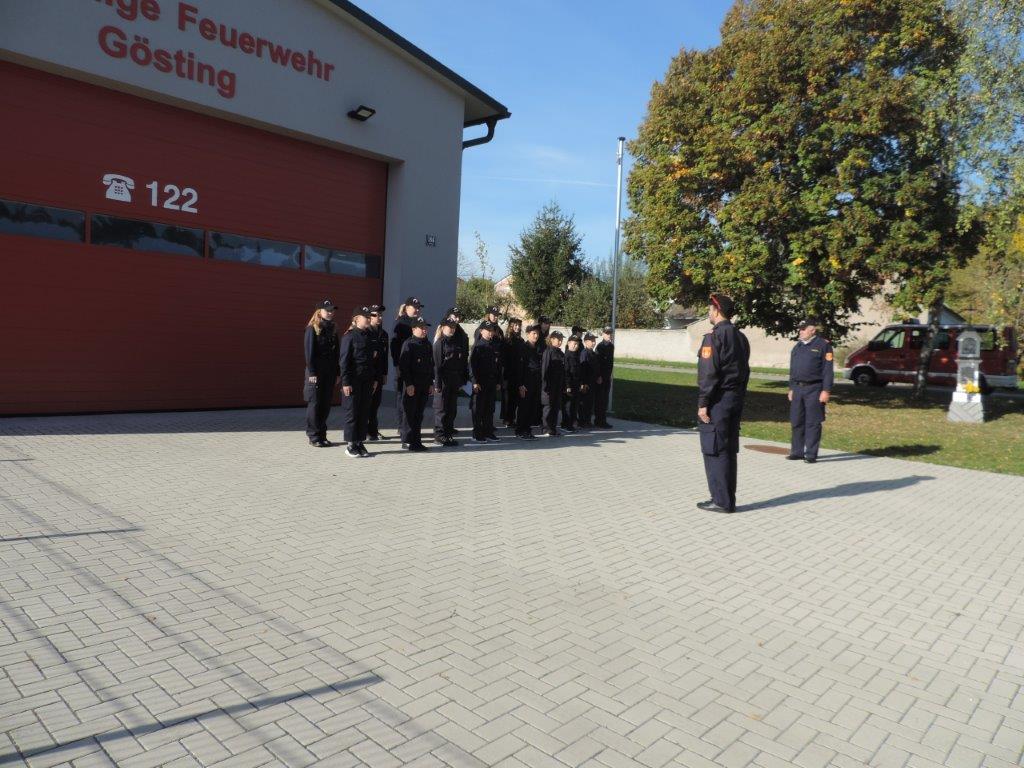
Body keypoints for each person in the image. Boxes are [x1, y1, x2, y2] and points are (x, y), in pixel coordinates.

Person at [696, 294, 751, 513]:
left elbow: (708, 373)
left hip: (717, 401)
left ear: (717, 311)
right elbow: (745, 372)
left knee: (714, 449)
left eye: (710, 309)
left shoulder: (714, 337)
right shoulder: (740, 337)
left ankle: (720, 501)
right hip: (734, 399)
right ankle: (727, 499)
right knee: (727, 450)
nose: (708, 313)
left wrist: (703, 402)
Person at [787, 317, 834, 463]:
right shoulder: (798, 346)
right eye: (799, 329)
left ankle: (811, 454)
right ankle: (797, 451)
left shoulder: (823, 345)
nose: (800, 332)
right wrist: (791, 388)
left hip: (814, 389)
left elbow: (828, 370)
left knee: (813, 422)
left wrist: (826, 390)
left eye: (803, 329)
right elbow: (793, 369)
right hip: (798, 388)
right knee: (796, 420)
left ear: (812, 330)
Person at [339, 306, 380, 458]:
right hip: (353, 380)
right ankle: (350, 444)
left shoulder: (369, 336)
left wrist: (374, 379)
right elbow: (344, 362)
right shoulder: (349, 337)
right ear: (356, 319)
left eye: (370, 316)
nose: (369, 319)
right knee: (352, 413)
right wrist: (345, 382)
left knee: (364, 412)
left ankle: (359, 441)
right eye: (366, 317)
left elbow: (372, 361)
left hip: (367, 380)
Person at [303, 299, 340, 447]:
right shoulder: (312, 328)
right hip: (316, 373)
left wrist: (338, 373)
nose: (330, 313)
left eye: (332, 310)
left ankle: (322, 435)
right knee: (315, 404)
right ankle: (314, 436)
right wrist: (312, 372)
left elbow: (336, 353)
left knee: (325, 404)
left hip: (329, 372)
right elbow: (309, 352)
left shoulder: (333, 328)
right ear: (319, 312)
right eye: (327, 310)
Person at [398, 316, 434, 452]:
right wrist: (408, 384)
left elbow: (430, 366)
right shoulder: (408, 344)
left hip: (424, 384)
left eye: (425, 328)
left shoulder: (427, 344)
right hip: (412, 385)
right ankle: (407, 440)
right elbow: (404, 367)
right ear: (413, 329)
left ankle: (416, 440)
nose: (424, 330)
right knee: (409, 413)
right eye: (421, 328)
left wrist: (431, 383)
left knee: (419, 414)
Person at [433, 318, 467, 446]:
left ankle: (447, 434)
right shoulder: (439, 343)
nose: (452, 329)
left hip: (454, 379)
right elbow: (437, 366)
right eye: (449, 326)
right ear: (443, 327)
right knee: (441, 409)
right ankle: (439, 436)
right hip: (444, 380)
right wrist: (437, 385)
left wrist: (461, 380)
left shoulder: (455, 342)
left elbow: (460, 363)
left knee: (451, 409)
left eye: (454, 327)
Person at [470, 320, 502, 443]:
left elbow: (498, 366)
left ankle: (488, 432)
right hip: (480, 382)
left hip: (492, 381)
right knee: (478, 408)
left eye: (492, 331)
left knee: (490, 408)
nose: (490, 333)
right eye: (488, 330)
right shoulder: (477, 346)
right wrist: (474, 381)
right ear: (481, 331)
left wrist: (498, 381)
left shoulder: (494, 346)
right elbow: (472, 366)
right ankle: (477, 434)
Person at [391, 297, 424, 411]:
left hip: (415, 366)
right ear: (406, 308)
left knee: (412, 398)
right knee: (403, 397)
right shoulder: (400, 323)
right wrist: (397, 365)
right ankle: (401, 422)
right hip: (403, 365)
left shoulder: (418, 323)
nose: (417, 310)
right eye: (415, 308)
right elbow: (394, 346)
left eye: (419, 308)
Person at [516, 324, 543, 440]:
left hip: (535, 382)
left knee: (532, 408)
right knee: (524, 408)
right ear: (528, 334)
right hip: (525, 383)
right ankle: (520, 431)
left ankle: (527, 430)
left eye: (537, 334)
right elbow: (519, 368)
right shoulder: (523, 348)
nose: (536, 336)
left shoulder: (537, 348)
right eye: (533, 333)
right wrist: (520, 385)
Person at [366, 304, 388, 441]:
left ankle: (373, 431)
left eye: (380, 315)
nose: (379, 317)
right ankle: (366, 431)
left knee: (375, 404)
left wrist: (385, 373)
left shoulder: (383, 334)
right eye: (375, 315)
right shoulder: (366, 332)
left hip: (379, 374)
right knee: (367, 404)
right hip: (369, 374)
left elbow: (385, 357)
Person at [541, 331, 566, 437]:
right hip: (549, 385)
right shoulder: (548, 352)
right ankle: (546, 428)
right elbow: (545, 369)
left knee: (556, 407)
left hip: (558, 385)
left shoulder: (560, 353)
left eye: (561, 339)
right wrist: (545, 386)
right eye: (558, 339)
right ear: (551, 339)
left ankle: (553, 428)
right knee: (548, 407)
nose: (560, 341)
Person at [501, 318, 524, 428]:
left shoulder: (521, 340)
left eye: (519, 325)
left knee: (515, 397)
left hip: (517, 372)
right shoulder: (506, 340)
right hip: (508, 373)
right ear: (511, 326)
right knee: (507, 398)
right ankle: (507, 419)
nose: (517, 327)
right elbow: (503, 359)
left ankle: (512, 418)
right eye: (515, 325)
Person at [562, 335, 584, 433]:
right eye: (574, 344)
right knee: (568, 406)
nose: (576, 346)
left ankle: (571, 423)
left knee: (574, 405)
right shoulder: (567, 356)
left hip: (576, 384)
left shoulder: (576, 355)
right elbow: (566, 372)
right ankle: (566, 424)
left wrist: (581, 383)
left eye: (577, 344)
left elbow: (579, 371)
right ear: (568, 343)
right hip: (569, 385)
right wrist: (567, 385)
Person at [594, 326, 615, 428]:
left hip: (607, 376)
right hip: (601, 377)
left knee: (605, 399)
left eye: (610, 333)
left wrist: (609, 375)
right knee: (600, 400)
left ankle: (603, 420)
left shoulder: (611, 346)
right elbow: (597, 363)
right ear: (603, 334)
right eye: (607, 333)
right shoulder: (600, 346)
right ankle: (599, 420)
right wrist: (598, 376)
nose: (609, 335)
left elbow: (610, 362)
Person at [578, 333, 598, 427]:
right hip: (586, 382)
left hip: (592, 381)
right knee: (584, 403)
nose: (594, 343)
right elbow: (582, 369)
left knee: (590, 402)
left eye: (594, 341)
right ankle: (582, 421)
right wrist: (583, 383)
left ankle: (588, 420)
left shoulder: (593, 353)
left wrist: (598, 376)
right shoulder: (584, 353)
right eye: (592, 341)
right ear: (586, 342)